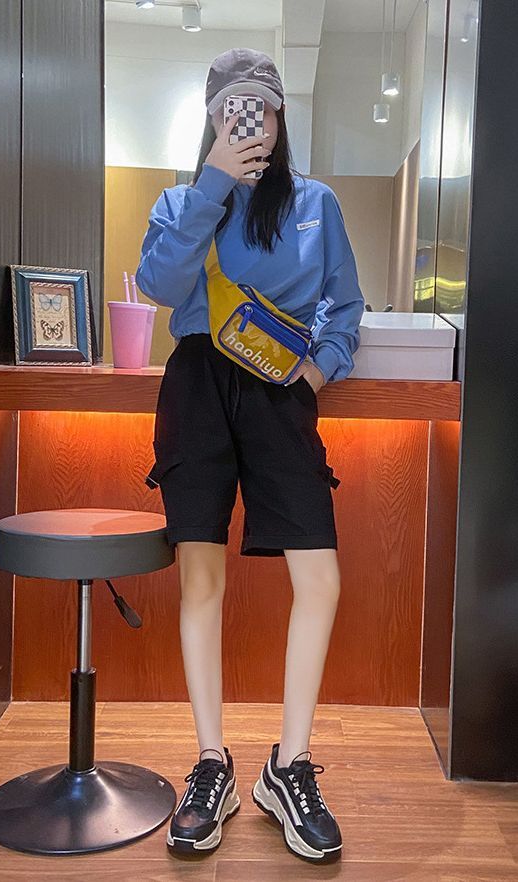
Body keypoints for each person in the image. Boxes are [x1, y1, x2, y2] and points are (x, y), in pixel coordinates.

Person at [135, 47, 364, 864]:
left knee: (320, 578)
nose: (248, 121)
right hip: (198, 382)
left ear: (280, 115)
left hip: (276, 387)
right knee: (201, 577)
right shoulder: (181, 200)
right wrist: (212, 186)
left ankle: (289, 765)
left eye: (260, 107)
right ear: (211, 118)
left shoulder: (315, 203)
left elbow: (346, 302)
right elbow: (159, 286)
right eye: (232, 107)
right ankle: (212, 762)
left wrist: (318, 370)